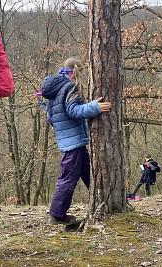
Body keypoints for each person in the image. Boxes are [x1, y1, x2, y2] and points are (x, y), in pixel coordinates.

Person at [40, 58, 111, 225]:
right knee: (68, 177)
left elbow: (50, 117)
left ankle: (107, 199)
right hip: (72, 142)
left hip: (70, 140)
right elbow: (73, 111)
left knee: (88, 172)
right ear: (75, 71)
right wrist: (95, 107)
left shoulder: (55, 90)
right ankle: (57, 214)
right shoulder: (69, 86)